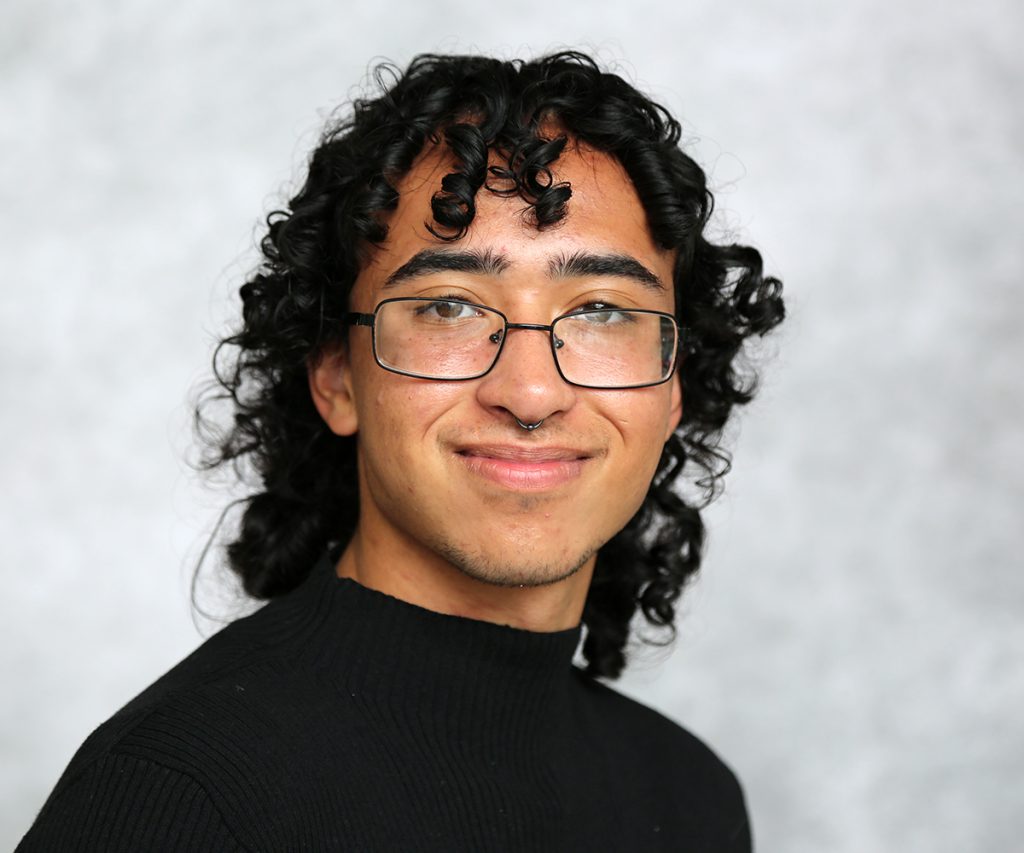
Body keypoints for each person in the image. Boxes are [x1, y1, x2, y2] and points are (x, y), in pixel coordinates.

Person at [18, 51, 784, 852]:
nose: (530, 392)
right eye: (449, 306)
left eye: (601, 311)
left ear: (673, 384)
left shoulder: (689, 798)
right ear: (336, 377)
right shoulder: (177, 797)